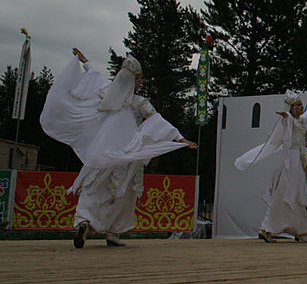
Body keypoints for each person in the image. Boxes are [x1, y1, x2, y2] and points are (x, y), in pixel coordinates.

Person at [40, 48, 195, 248]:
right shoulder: (138, 102)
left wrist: (85, 60)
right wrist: (180, 139)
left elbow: (93, 77)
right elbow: (157, 120)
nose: (141, 83)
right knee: (122, 195)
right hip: (126, 156)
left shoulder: (106, 93)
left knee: (93, 190)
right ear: (134, 80)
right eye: (139, 79)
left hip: (103, 153)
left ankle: (84, 221)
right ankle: (113, 233)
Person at [235, 92, 307, 243]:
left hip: (297, 161)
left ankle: (298, 231)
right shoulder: (289, 121)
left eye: (301, 105)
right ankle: (276, 229)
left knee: (294, 195)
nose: (301, 107)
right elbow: (287, 120)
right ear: (292, 109)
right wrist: (285, 115)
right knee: (289, 194)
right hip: (290, 162)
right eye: (298, 105)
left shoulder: (299, 121)